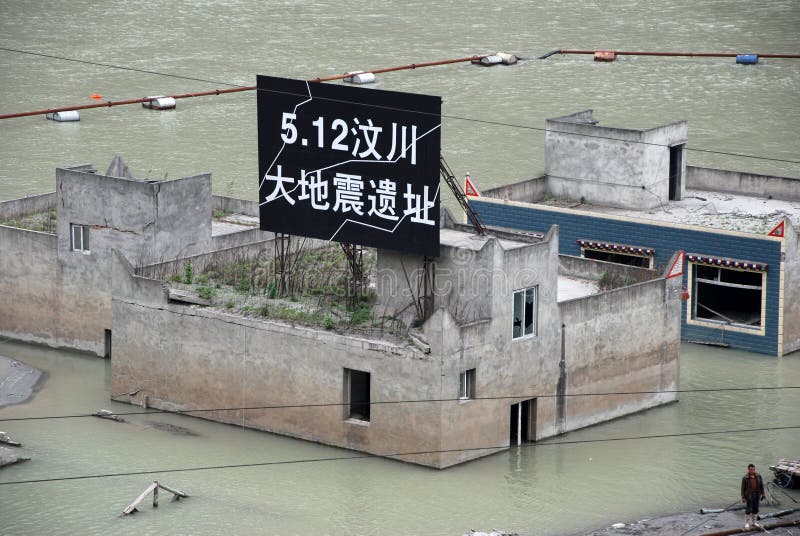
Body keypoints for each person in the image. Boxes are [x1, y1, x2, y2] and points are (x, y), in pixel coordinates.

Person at [741, 463, 766, 529]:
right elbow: (742, 488)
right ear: (748, 470)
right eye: (751, 469)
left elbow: (761, 486)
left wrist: (763, 494)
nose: (753, 471)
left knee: (756, 509)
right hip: (749, 495)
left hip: (757, 495)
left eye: (754, 469)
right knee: (748, 509)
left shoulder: (758, 476)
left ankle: (754, 522)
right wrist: (743, 497)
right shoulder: (745, 478)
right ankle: (746, 523)